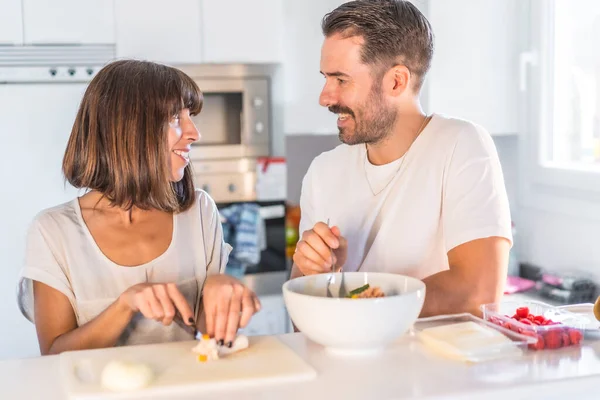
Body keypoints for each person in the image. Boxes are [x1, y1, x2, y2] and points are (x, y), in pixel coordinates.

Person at [17, 60, 260, 355]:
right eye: (174, 117)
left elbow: (205, 331)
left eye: (190, 116)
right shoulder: (53, 231)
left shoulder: (199, 211)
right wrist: (125, 305)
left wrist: (221, 291)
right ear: (129, 130)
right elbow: (55, 354)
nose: (194, 132)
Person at [291, 0, 512, 317]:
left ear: (396, 81)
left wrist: (348, 303)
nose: (325, 97)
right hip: (344, 366)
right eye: (325, 78)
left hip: (434, 367)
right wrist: (319, 275)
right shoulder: (323, 171)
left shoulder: (460, 145)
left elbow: (476, 293)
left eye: (341, 80)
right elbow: (302, 320)